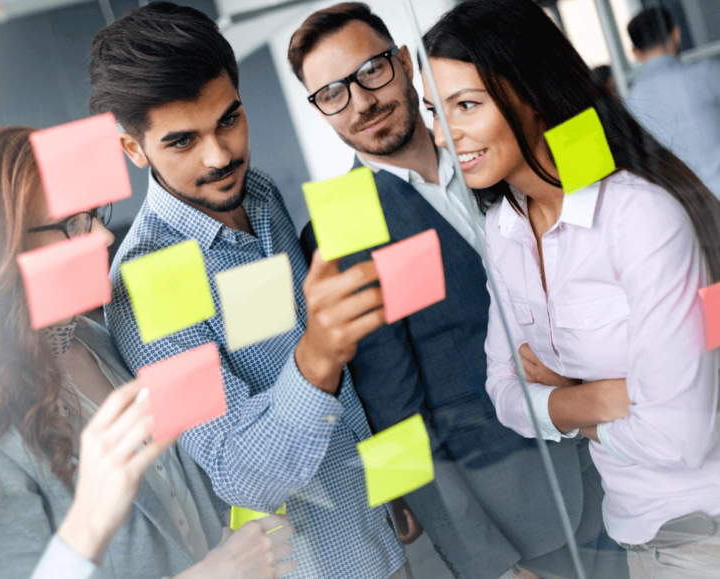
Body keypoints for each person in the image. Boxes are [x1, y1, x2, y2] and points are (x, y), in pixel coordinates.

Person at [286, 4, 625, 578]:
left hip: (627, 449)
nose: (361, 102)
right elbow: (391, 416)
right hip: (523, 508)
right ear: (320, 110)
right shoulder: (338, 225)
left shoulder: (501, 143)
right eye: (332, 94)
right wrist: (483, 562)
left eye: (371, 71)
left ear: (406, 63)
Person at [93, 3, 407, 579]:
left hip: (381, 535)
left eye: (229, 120)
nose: (220, 157)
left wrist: (388, 490)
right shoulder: (148, 281)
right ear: (133, 149)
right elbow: (243, 472)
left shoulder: (257, 194)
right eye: (183, 142)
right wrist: (319, 350)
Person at [0, 126, 295, 579]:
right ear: (5, 248)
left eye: (93, 214)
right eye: (73, 224)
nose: (105, 237)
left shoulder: (101, 338)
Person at [423, 0, 720, 577]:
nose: (444, 133)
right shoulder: (503, 227)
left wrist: (567, 403)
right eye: (436, 110)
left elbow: (683, 436)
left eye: (466, 105)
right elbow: (504, 394)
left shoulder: (636, 217)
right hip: (640, 537)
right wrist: (605, 396)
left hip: (703, 529)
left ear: (531, 94)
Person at [625, 6, 720, 196]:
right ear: (676, 34)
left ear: (635, 52)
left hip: (690, 209)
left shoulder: (630, 103)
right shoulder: (707, 74)